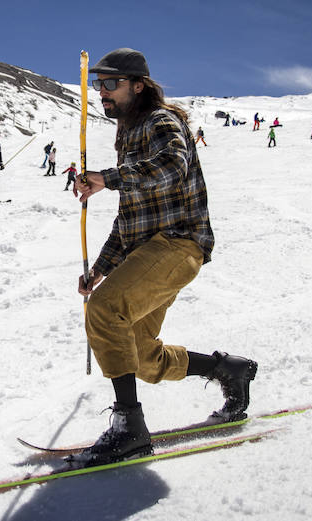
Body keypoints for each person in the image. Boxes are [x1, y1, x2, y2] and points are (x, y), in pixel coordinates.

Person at [70, 47, 258, 467]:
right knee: (141, 357)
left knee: (105, 310)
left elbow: (173, 165)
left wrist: (108, 178)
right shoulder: (128, 134)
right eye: (99, 84)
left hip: (179, 243)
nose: (103, 91)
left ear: (139, 86)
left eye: (111, 83)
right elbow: (128, 218)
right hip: (147, 252)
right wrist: (100, 268)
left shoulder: (161, 121)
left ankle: (128, 429)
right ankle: (227, 370)